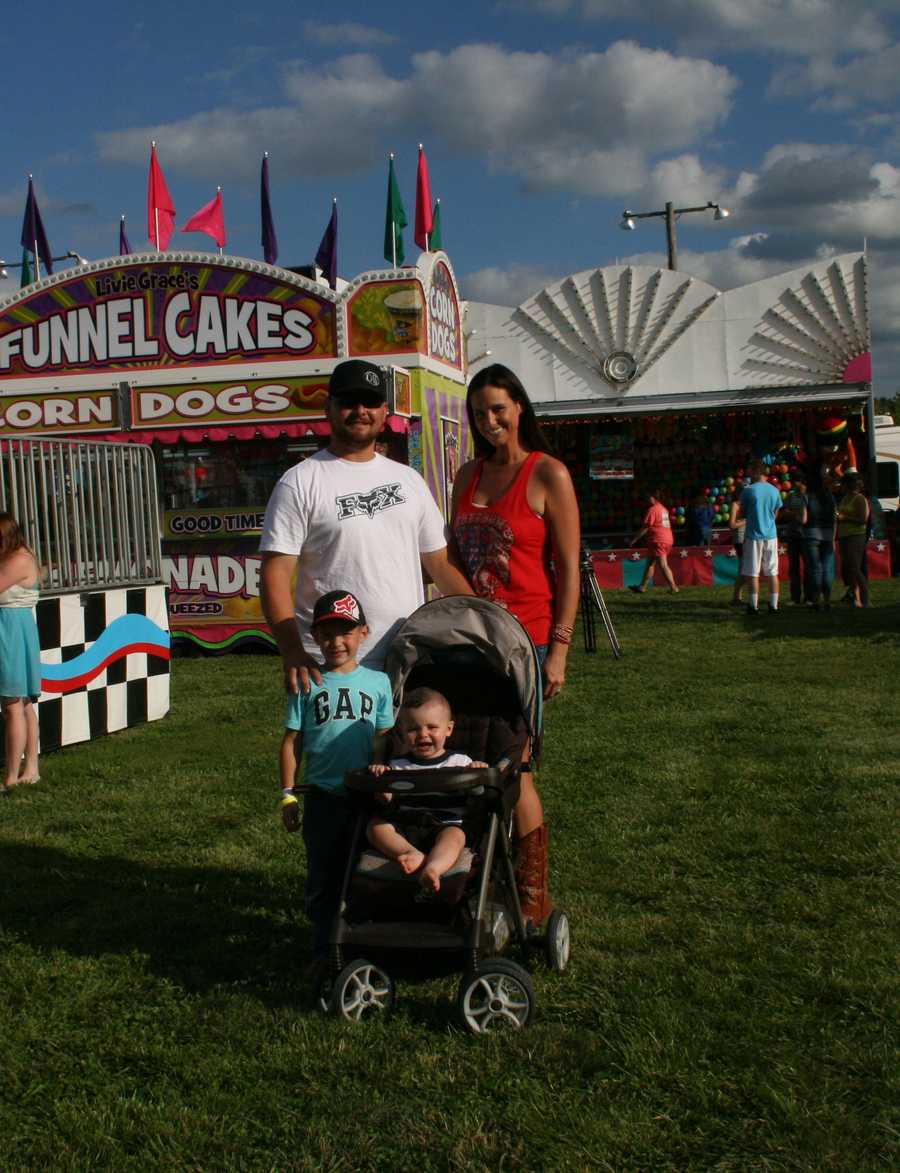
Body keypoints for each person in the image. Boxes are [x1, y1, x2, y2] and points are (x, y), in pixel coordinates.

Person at [450, 363, 580, 926]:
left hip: (525, 643)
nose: (490, 420)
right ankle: (476, 877)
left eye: (498, 409)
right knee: (468, 760)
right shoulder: (465, 477)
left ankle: (532, 894)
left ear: (519, 407)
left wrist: (559, 649)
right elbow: (453, 558)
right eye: (480, 413)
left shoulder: (548, 473)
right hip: (470, 643)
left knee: (515, 765)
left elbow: (570, 571)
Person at [259, 359, 473, 692]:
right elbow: (275, 574)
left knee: (408, 744)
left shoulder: (409, 480)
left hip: (408, 654)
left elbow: (440, 563)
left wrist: (483, 622)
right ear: (328, 408)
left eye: (370, 402)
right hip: (332, 663)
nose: (360, 410)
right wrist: (292, 651)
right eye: (348, 401)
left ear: (385, 411)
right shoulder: (299, 482)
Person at [279, 590, 394, 961]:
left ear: (364, 632)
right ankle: (325, 945)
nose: (336, 642)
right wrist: (288, 793)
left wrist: (383, 781)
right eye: (327, 634)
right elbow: (291, 742)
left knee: (366, 870)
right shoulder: (307, 681)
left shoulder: (379, 683)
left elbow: (383, 738)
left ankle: (365, 939)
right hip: (324, 798)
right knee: (323, 873)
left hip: (364, 797)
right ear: (314, 636)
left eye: (345, 632)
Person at [367, 688, 487, 893]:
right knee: (375, 827)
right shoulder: (398, 765)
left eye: (432, 727)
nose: (423, 734)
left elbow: (477, 795)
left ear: (449, 729)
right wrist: (382, 780)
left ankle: (434, 867)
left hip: (443, 824)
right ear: (403, 732)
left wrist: (477, 773)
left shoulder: (460, 762)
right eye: (413, 729)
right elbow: (386, 801)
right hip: (404, 826)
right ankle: (409, 853)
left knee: (456, 836)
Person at [0, 514, 42, 794]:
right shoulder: (21, 556)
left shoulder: (18, 559)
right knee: (22, 704)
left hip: (10, 630)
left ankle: (12, 776)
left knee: (13, 704)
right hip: (15, 628)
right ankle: (30, 769)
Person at [734, 460, 783, 614]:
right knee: (772, 571)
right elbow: (776, 514)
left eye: (750, 470)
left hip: (753, 535)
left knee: (752, 572)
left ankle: (753, 606)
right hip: (771, 535)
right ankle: (774, 605)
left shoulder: (748, 491)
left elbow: (742, 514)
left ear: (756, 471)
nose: (748, 473)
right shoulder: (774, 491)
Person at [628, 490, 679, 594]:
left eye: (648, 498)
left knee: (663, 565)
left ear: (653, 498)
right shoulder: (663, 509)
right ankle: (642, 587)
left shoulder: (652, 510)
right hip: (666, 539)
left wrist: (634, 539)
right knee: (650, 563)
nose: (646, 500)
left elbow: (646, 527)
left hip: (658, 540)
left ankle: (674, 587)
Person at [803, 470, 837, 610]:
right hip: (828, 535)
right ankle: (827, 600)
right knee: (827, 569)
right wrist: (834, 538)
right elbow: (835, 518)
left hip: (812, 534)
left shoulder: (807, 497)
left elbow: (804, 518)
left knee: (816, 569)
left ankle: (816, 600)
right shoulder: (830, 496)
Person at [836, 474, 870, 607]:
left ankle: (865, 598)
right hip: (844, 536)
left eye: (843, 484)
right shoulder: (845, 498)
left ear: (849, 485)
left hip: (856, 536)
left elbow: (863, 520)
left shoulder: (860, 499)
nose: (841, 486)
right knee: (850, 568)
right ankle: (855, 599)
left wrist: (844, 518)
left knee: (855, 567)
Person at [784, 472, 809, 605]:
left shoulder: (808, 497)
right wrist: (796, 514)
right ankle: (795, 597)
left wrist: (794, 514)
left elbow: (808, 516)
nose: (795, 485)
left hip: (805, 536)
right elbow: (785, 512)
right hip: (792, 535)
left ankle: (808, 597)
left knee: (808, 567)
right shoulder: (790, 496)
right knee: (793, 568)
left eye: (797, 482)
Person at [728, 487, 748, 605]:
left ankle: (737, 598)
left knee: (745, 569)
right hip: (740, 540)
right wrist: (746, 521)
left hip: (748, 538)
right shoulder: (735, 505)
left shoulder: (747, 504)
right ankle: (736, 598)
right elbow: (731, 525)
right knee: (743, 569)